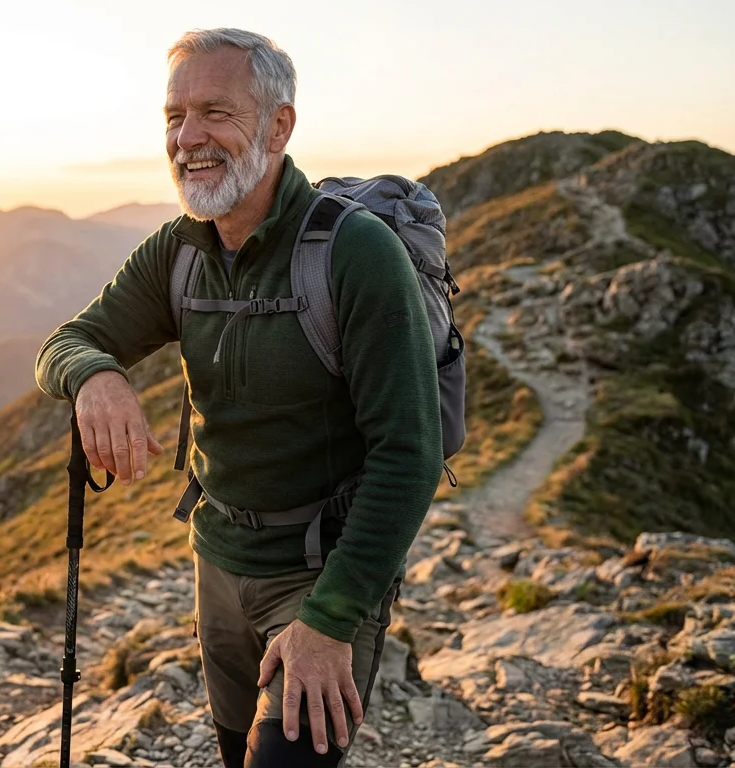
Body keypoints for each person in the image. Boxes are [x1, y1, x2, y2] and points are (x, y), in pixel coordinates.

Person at [34, 27, 444, 768]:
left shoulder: (355, 254)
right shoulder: (180, 248)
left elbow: (409, 454)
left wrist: (330, 619)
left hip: (323, 569)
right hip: (217, 560)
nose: (188, 138)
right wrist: (95, 376)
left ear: (279, 125)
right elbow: (67, 340)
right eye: (173, 117)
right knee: (235, 754)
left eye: (216, 113)